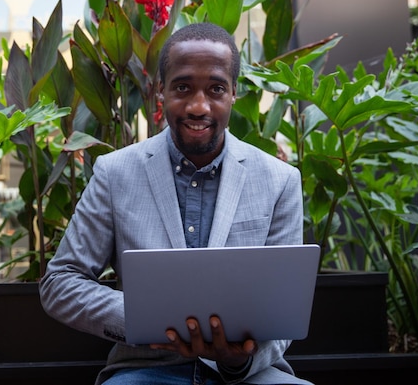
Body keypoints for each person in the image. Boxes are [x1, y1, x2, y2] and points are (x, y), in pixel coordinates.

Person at [39, 22, 311, 385]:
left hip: (248, 375)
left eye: (216, 89)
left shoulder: (280, 181)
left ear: (234, 94)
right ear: (160, 92)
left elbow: (285, 308)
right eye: (183, 87)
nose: (199, 106)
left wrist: (238, 360)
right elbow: (60, 282)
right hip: (146, 368)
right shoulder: (115, 173)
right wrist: (142, 317)